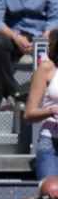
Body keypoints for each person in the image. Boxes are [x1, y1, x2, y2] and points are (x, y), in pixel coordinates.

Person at [0, 0, 58, 110]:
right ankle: (14, 92)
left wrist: (44, 37)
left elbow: (55, 18)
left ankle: (51, 93)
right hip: (15, 35)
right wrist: (16, 37)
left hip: (42, 34)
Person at [24, 33, 58, 179]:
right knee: (52, 195)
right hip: (51, 140)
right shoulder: (47, 68)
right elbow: (29, 114)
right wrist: (51, 110)